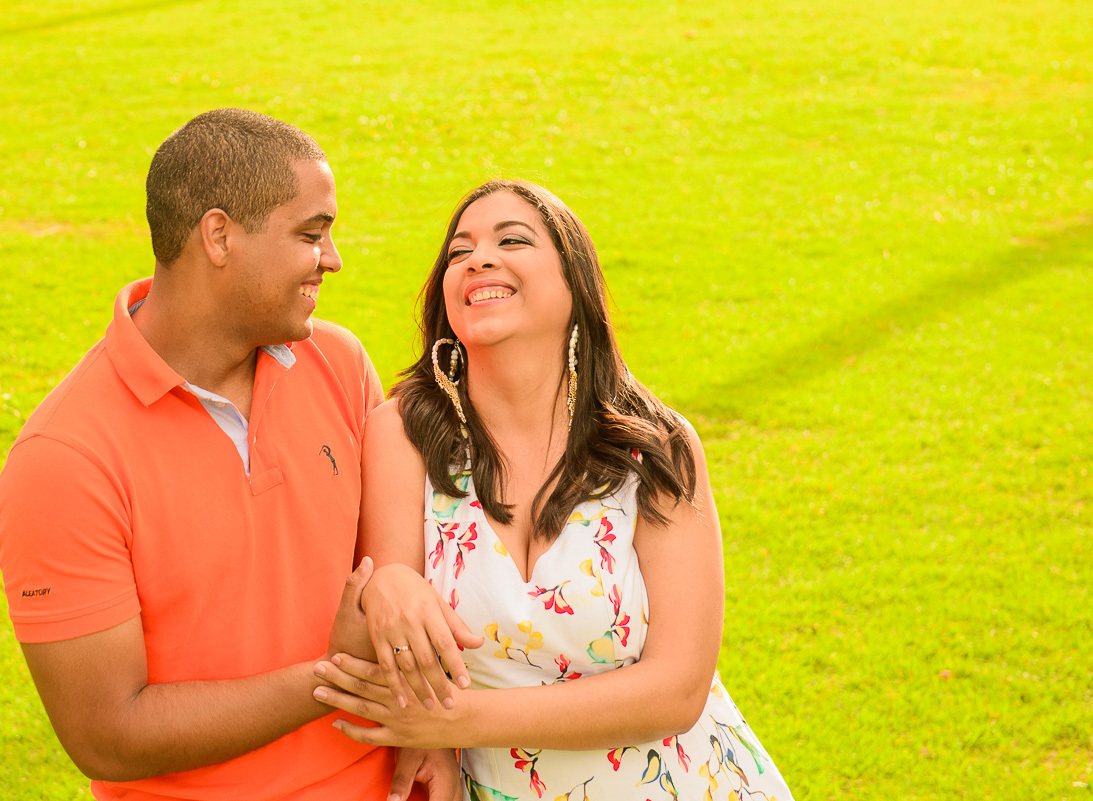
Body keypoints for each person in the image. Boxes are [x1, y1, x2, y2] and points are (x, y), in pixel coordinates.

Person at [0, 109, 460, 801]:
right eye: (311, 234)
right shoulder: (63, 460)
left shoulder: (338, 362)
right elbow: (106, 735)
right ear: (218, 236)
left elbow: (400, 575)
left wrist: (434, 732)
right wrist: (330, 674)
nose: (332, 258)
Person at [312, 179, 795, 799]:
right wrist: (387, 585)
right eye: (460, 251)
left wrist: (455, 722)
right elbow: (399, 630)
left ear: (575, 284)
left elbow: (676, 691)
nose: (479, 259)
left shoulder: (654, 446)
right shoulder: (402, 433)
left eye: (513, 240)